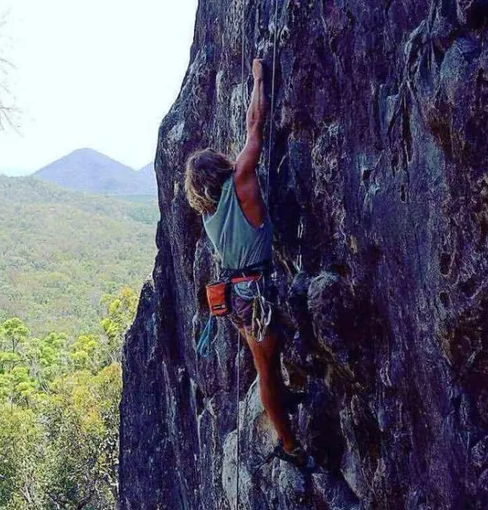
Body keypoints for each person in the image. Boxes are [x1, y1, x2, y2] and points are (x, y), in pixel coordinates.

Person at [184, 59, 314, 471]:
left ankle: (282, 402)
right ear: (220, 168)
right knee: (267, 370)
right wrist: (259, 79)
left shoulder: (209, 213)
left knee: (268, 364)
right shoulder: (240, 182)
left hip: (240, 296)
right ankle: (290, 445)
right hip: (252, 293)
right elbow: (254, 125)